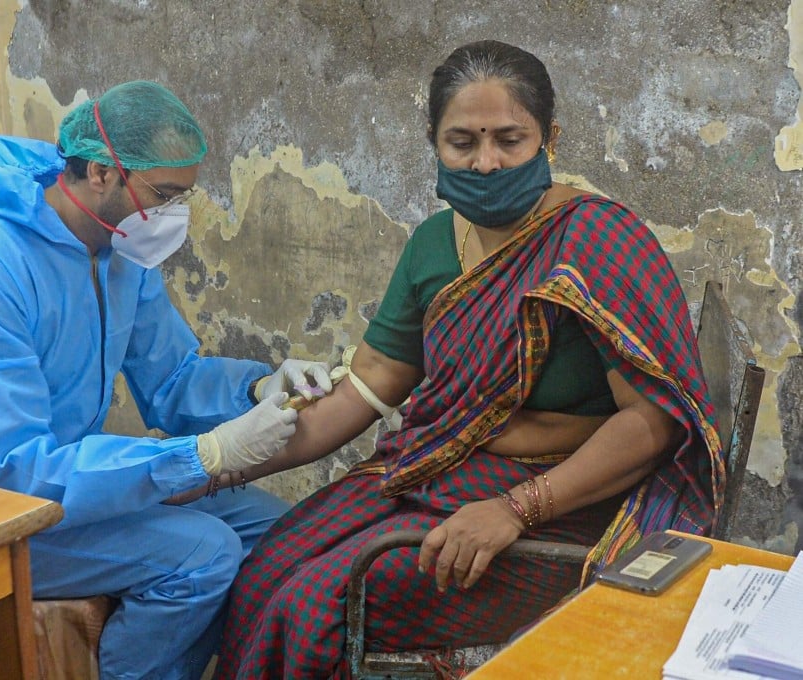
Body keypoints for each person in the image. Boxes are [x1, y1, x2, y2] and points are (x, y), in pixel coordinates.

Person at [215, 40, 722, 679]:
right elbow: (370, 384)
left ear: (549, 137)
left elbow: (653, 423)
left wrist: (517, 509)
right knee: (264, 574)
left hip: (567, 502)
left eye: (510, 139)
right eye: (463, 142)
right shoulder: (434, 244)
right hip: (437, 469)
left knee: (318, 601)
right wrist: (219, 461)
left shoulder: (599, 238)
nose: (486, 163)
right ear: (434, 141)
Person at [0, 80, 332, 680]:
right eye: (164, 195)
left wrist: (258, 388)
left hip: (67, 487)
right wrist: (205, 454)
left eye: (184, 197)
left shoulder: (119, 252)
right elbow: (15, 467)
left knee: (277, 532)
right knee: (204, 554)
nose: (174, 216)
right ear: (99, 172)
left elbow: (171, 377)